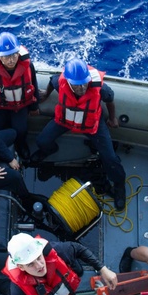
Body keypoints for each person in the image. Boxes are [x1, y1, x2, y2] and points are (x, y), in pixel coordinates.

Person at [32, 58, 127, 210]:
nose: (82, 87)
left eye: (84, 83)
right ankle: (51, 150)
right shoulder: (60, 82)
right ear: (69, 82)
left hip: (92, 125)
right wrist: (47, 94)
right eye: (77, 85)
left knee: (110, 158)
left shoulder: (101, 89)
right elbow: (52, 81)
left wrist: (112, 118)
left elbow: (110, 100)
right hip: (65, 121)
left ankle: (119, 185)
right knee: (42, 141)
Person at [0, 32, 41, 159]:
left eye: (13, 55)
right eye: (6, 57)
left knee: (21, 129)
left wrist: (34, 106)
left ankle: (21, 145)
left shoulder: (28, 66)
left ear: (18, 53)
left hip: (20, 105)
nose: (10, 60)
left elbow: (34, 84)